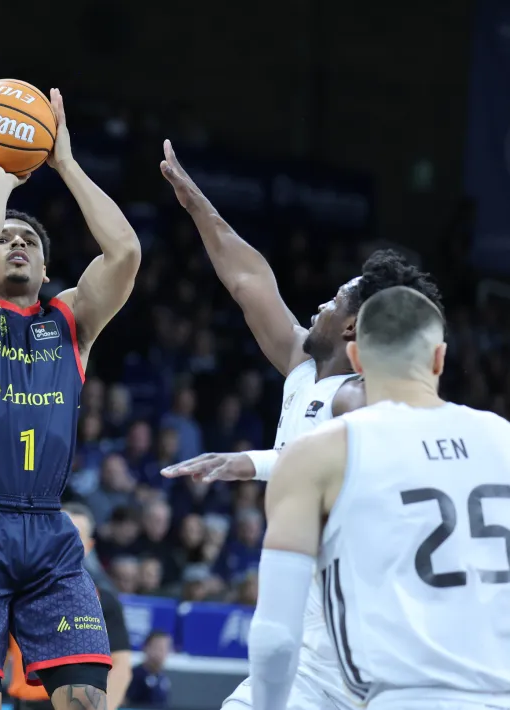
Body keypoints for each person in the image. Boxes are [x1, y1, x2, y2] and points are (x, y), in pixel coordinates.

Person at [158, 142, 445, 710]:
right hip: (319, 613)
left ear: (353, 330)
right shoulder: (303, 367)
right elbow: (246, 279)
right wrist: (195, 204)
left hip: (361, 620)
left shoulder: (359, 397)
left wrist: (255, 462)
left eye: (333, 301)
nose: (317, 307)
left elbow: (388, 450)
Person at [0, 88, 141, 710]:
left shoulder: (70, 323)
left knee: (85, 701)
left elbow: (124, 253)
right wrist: (3, 179)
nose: (17, 244)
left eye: (31, 243)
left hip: (47, 527)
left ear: (47, 272)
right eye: (6, 240)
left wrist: (64, 163)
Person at [249, 286, 510, 710]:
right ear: (439, 358)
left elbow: (276, 639)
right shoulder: (502, 438)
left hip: (397, 694)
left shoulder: (321, 452)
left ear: (357, 360)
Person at [7, 503, 133, 710]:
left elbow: (122, 667)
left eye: (75, 536)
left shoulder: (103, 599)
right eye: (60, 534)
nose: (65, 543)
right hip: (22, 703)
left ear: (89, 546)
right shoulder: (16, 591)